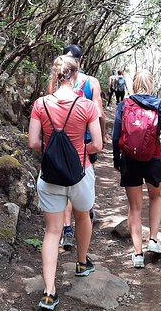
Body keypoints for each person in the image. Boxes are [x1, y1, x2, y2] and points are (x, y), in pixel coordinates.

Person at [29, 55, 103, 309]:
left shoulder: (41, 104)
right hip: (80, 172)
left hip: (49, 175)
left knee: (52, 231)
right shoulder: (86, 106)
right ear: (75, 76)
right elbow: (98, 144)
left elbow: (34, 143)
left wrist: (52, 152)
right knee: (83, 216)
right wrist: (80, 151)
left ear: (55, 75)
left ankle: (49, 292)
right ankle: (81, 263)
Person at [111, 69, 161, 269]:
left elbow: (116, 137)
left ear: (134, 85)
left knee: (134, 207)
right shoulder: (160, 105)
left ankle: (137, 254)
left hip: (130, 160)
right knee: (156, 197)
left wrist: (117, 160)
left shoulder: (123, 105)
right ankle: (153, 239)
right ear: (151, 85)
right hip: (154, 158)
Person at [52, 44, 105, 249]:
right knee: (82, 180)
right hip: (85, 142)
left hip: (60, 142)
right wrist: (103, 135)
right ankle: (84, 216)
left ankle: (67, 228)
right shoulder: (91, 82)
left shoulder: (57, 82)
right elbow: (99, 112)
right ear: (80, 60)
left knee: (65, 183)